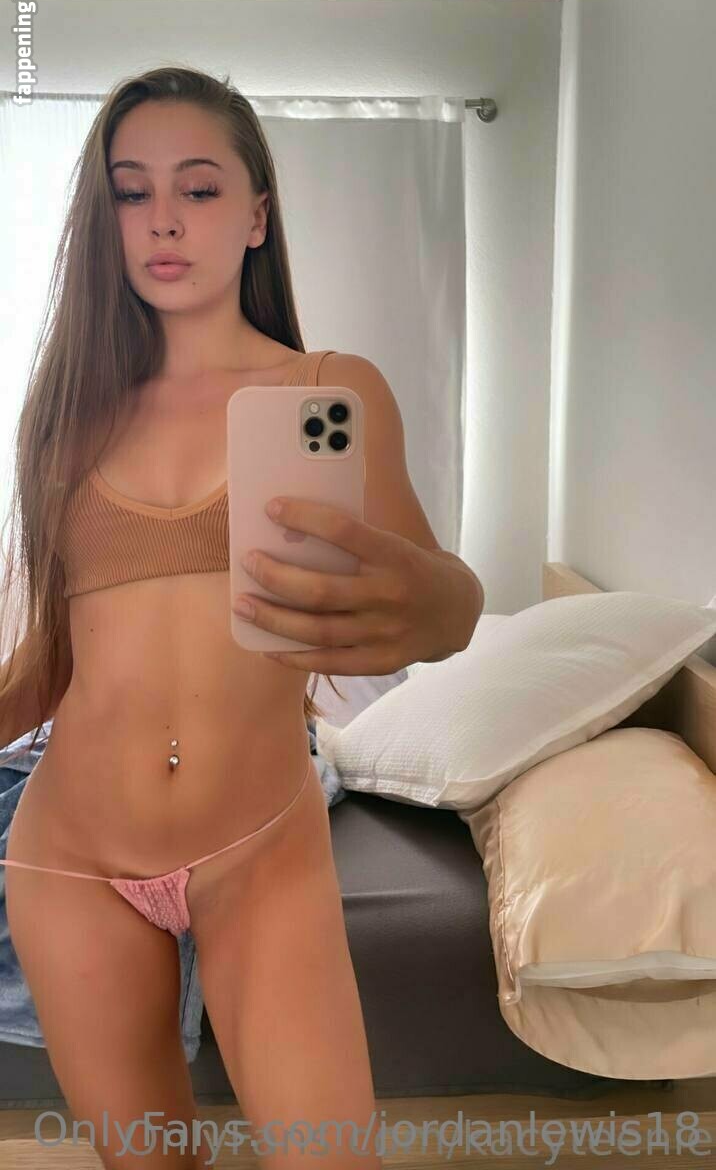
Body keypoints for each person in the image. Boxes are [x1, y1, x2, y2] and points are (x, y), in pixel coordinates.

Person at [0, 66, 483, 1168]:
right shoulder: (64, 413)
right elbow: (48, 665)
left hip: (257, 846)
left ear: (256, 214)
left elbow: (445, 604)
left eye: (200, 187)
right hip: (70, 858)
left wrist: (439, 602)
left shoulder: (327, 388)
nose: (163, 218)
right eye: (131, 191)